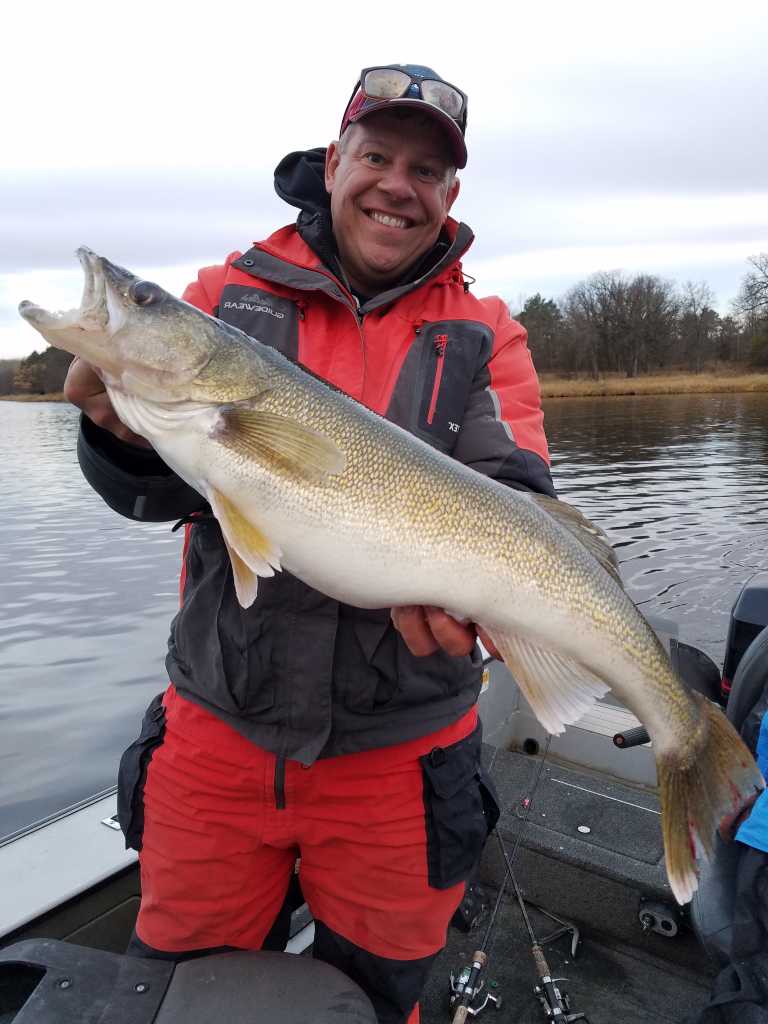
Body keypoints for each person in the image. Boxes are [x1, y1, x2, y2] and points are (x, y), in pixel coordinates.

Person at [64, 63, 556, 1024]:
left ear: (451, 194)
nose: (397, 185)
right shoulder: (223, 301)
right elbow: (153, 492)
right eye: (376, 155)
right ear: (334, 163)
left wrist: (487, 618)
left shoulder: (485, 333)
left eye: (427, 169)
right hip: (218, 735)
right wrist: (111, 431)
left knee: (380, 1000)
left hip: (402, 757)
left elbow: (521, 500)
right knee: (173, 992)